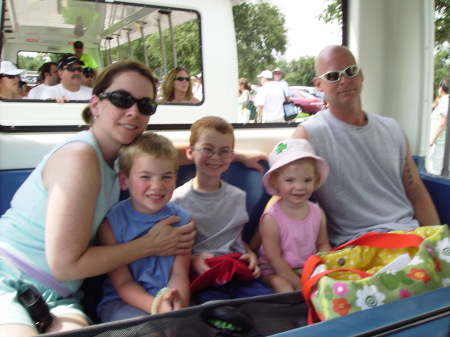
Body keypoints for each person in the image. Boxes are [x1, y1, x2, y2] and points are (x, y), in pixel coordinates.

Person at [0, 60, 195, 335]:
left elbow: (172, 153)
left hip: (59, 295)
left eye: (145, 105)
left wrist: (230, 155)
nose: (133, 112)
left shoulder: (120, 158)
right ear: (95, 105)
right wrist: (149, 244)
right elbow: (66, 265)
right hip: (9, 274)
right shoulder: (80, 158)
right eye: (121, 99)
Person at [292, 44, 440, 247]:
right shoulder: (309, 134)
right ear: (319, 85)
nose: (344, 80)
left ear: (360, 75)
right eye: (333, 76)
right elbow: (283, 180)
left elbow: (415, 190)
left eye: (350, 71)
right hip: (357, 246)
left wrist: (437, 240)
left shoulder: (393, 129)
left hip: (409, 235)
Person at [171, 116, 273, 304]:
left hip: (237, 270)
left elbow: (237, 238)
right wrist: (193, 262)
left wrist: (250, 254)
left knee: (264, 302)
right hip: (204, 276)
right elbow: (176, 249)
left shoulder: (238, 196)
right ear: (190, 152)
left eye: (224, 151)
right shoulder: (178, 201)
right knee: (212, 309)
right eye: (208, 149)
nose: (216, 157)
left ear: (232, 157)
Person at [97, 132, 192, 322]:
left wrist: (177, 306)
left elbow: (179, 274)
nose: (156, 186)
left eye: (166, 177)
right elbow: (123, 283)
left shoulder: (183, 221)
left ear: (175, 178)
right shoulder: (110, 225)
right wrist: (157, 306)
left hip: (170, 299)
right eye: (145, 177)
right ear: (124, 180)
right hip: (124, 302)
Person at [257, 138, 331, 293]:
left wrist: (323, 265)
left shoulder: (318, 213)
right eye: (290, 180)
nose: (299, 187)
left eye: (307, 180)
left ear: (315, 180)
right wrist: (299, 284)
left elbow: (322, 244)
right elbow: (273, 258)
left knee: (326, 286)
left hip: (307, 267)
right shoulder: (271, 218)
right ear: (276, 182)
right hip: (275, 270)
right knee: (286, 289)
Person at [426, 77, 449, 175]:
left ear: (441, 89)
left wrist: (430, 143)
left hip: (439, 145)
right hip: (442, 144)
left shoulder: (445, 103)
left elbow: (441, 124)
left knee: (434, 172)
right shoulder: (443, 102)